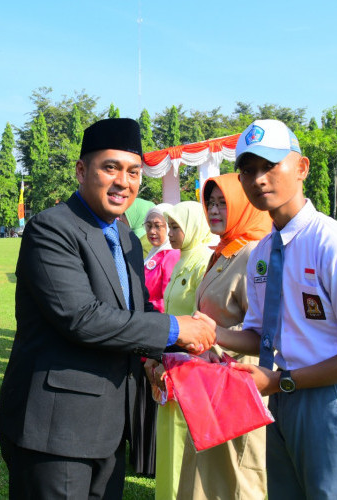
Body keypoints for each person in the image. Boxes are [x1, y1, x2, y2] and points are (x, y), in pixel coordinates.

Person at [0, 118, 216, 500]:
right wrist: (177, 329)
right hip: (56, 428)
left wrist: (157, 356)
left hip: (111, 422)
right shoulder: (52, 229)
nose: (123, 182)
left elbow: (137, 308)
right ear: (82, 170)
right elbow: (82, 318)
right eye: (110, 168)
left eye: (133, 172)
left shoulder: (126, 236)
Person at [206, 119, 337, 499]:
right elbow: (265, 336)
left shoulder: (334, 245)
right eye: (248, 170)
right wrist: (211, 332)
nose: (259, 179)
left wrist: (281, 382)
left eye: (270, 166)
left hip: (333, 399)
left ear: (301, 168)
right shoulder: (261, 254)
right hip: (283, 399)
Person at [177, 173, 272, 500]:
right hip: (209, 386)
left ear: (243, 205)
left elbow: (263, 333)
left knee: (238, 478)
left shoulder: (252, 255)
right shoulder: (223, 252)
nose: (214, 211)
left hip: (237, 388)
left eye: (223, 203)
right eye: (210, 203)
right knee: (206, 476)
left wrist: (213, 335)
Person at [152, 200, 213, 500]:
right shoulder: (180, 259)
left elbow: (200, 320)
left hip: (188, 366)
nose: (171, 233)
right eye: (170, 227)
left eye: (177, 227)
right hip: (169, 362)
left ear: (193, 227)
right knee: (169, 440)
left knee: (182, 440)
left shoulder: (203, 261)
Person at [130, 203, 181, 478]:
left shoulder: (170, 257)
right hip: (143, 333)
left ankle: (151, 462)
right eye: (149, 225)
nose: (152, 230)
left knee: (153, 398)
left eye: (159, 226)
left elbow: (166, 300)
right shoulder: (150, 254)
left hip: (157, 335)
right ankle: (142, 458)